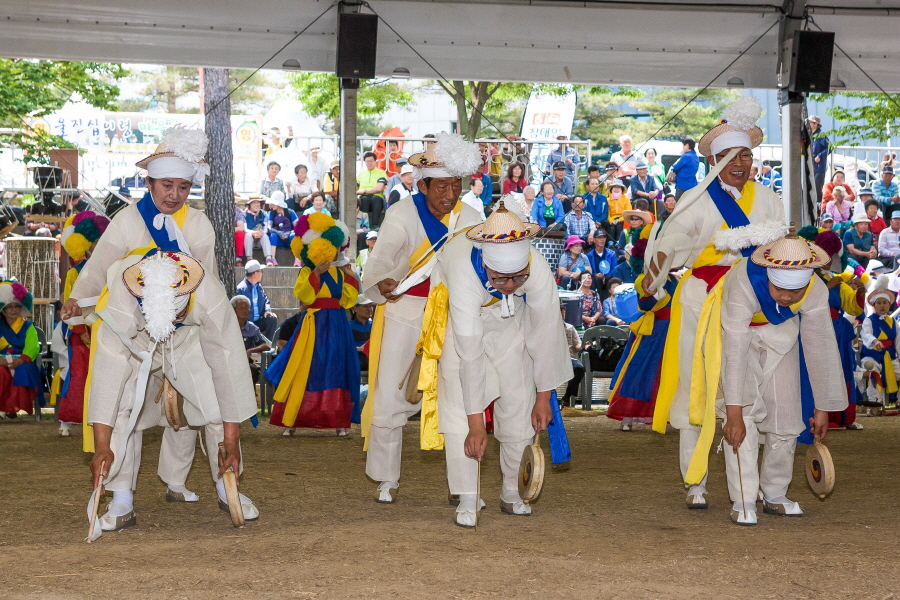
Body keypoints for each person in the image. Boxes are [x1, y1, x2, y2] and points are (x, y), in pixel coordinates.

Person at [59, 127, 259, 536]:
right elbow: (98, 271)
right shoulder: (122, 287)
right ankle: (121, 497)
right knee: (122, 410)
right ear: (149, 183)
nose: (174, 194)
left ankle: (227, 484)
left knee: (214, 401)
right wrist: (81, 298)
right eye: (166, 184)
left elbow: (229, 365)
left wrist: (235, 439)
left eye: (183, 186)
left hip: (187, 330)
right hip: (137, 335)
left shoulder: (201, 249)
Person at [642, 96, 786, 511]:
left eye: (745, 155)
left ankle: (750, 480)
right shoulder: (695, 199)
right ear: (714, 160)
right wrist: (655, 273)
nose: (738, 164)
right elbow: (668, 248)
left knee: (749, 381)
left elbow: (778, 246)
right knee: (696, 381)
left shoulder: (769, 199)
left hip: (752, 298)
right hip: (700, 298)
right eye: (728, 156)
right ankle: (695, 479)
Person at [359, 133, 483, 504]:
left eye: (455, 185)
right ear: (423, 184)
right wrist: (381, 282)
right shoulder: (402, 213)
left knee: (459, 397)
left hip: (454, 316)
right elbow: (380, 261)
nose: (449, 194)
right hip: (404, 311)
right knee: (390, 394)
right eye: (441, 186)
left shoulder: (471, 216)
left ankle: (465, 487)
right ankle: (385, 478)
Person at [431, 202, 571, 526]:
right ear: (485, 263)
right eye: (501, 280)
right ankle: (468, 495)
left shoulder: (534, 269)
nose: (510, 286)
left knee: (520, 399)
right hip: (462, 321)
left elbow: (547, 331)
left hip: (511, 322)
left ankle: (511, 491)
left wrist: (543, 398)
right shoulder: (464, 272)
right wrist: (476, 423)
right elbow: (471, 356)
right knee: (458, 408)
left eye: (517, 279)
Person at [691, 232, 845, 525]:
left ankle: (775, 494)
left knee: (786, 414)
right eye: (780, 290)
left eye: (794, 293)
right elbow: (734, 348)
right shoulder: (743, 281)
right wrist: (732, 411)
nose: (787, 297)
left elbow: (820, 346)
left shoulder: (815, 289)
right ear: (768, 276)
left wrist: (822, 407)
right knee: (744, 415)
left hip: (782, 336)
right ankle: (744, 499)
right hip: (738, 336)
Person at [264, 213, 359, 438]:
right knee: (305, 367)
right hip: (313, 324)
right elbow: (303, 295)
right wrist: (316, 274)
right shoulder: (307, 271)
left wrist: (351, 277)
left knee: (336, 369)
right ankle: (292, 420)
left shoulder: (339, 272)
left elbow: (348, 300)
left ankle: (339, 422)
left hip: (337, 324)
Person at [801, 228, 865, 430]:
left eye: (832, 255)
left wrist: (859, 290)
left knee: (840, 372)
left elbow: (852, 307)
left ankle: (841, 417)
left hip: (836, 330)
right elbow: (801, 301)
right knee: (816, 372)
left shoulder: (836, 278)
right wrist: (828, 287)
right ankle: (814, 417)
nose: (829, 260)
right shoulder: (805, 277)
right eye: (826, 255)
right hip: (814, 328)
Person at [57, 211, 111, 436]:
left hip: (109, 330)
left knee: (108, 376)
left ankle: (106, 418)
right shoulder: (74, 273)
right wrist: (80, 331)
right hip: (81, 332)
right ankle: (68, 420)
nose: (99, 246)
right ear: (87, 245)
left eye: (103, 242)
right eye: (95, 242)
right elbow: (70, 307)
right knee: (78, 374)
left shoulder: (116, 272)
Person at [0, 281, 42, 419]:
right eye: (9, 307)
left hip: (23, 361)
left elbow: (33, 345)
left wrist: (21, 359)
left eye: (16, 306)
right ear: (3, 309)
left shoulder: (28, 326)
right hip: (1, 361)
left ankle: (13, 407)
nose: (13, 310)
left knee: (23, 372)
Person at [861, 275, 900, 408]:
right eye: (879, 303)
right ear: (874, 305)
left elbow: (898, 341)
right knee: (873, 370)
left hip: (890, 354)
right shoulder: (869, 320)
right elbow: (865, 334)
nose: (882, 306)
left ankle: (898, 401)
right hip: (873, 354)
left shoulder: (893, 321)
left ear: (889, 304)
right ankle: (875, 402)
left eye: (885, 302)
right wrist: (875, 341)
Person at [235, 259, 278, 342]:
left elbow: (265, 299)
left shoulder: (259, 286)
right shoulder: (241, 289)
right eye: (261, 271)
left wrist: (267, 310)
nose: (262, 273)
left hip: (259, 320)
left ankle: (268, 345)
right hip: (247, 322)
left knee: (271, 319)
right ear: (255, 273)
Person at [232, 296, 269, 385]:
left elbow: (265, 346)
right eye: (241, 308)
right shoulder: (227, 327)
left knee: (252, 370)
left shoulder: (252, 328)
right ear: (233, 310)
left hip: (246, 363)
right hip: (229, 363)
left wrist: (250, 350)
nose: (244, 310)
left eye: (246, 307)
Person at [561, 303, 585, 407]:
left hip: (569, 358)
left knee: (579, 368)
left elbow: (577, 345)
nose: (562, 313)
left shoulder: (570, 328)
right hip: (552, 358)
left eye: (563, 311)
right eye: (560, 311)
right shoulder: (547, 328)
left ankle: (567, 396)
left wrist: (584, 344)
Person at [357, 151, 388, 229]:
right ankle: (364, 225)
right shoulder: (360, 174)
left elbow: (378, 188)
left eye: (371, 161)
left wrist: (364, 191)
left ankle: (375, 225)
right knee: (363, 199)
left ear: (375, 161)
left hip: (376, 198)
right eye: (367, 161)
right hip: (363, 199)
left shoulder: (381, 173)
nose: (369, 163)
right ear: (365, 162)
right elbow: (356, 189)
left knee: (376, 199)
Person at [267, 191, 300, 265]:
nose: (271, 204)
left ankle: (297, 259)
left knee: (294, 235)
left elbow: (298, 227)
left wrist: (288, 233)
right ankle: (273, 259)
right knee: (273, 235)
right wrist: (280, 233)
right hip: (278, 240)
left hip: (289, 240)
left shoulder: (291, 212)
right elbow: (269, 228)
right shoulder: (271, 213)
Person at [243, 196, 275, 266]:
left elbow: (266, 229)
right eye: (254, 202)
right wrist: (253, 233)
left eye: (258, 202)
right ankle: (249, 258)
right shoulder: (244, 214)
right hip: (250, 240)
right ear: (249, 204)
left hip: (260, 239)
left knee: (265, 236)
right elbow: (245, 229)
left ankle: (268, 259)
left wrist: (261, 233)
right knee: (247, 235)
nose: (256, 204)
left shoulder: (263, 213)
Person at [808, 115, 830, 205]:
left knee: (817, 186)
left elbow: (829, 147)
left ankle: (818, 205)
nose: (809, 124)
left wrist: (820, 156)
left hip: (819, 166)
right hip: (810, 164)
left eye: (811, 122)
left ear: (816, 124)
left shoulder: (821, 134)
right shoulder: (810, 134)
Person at [349, 294, 374, 372]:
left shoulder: (375, 326)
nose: (369, 309)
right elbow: (341, 346)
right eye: (365, 306)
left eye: (370, 306)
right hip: (355, 362)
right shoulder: (348, 326)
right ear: (355, 309)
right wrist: (358, 349)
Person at [605, 180, 632, 245]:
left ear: (622, 189)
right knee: (612, 226)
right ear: (611, 189)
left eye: (618, 187)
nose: (616, 189)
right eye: (614, 187)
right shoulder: (608, 200)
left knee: (619, 225)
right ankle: (610, 242)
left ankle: (619, 241)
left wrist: (620, 219)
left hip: (622, 218)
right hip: (612, 218)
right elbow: (607, 212)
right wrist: (611, 220)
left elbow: (628, 211)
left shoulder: (626, 199)